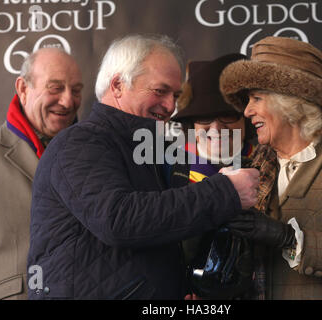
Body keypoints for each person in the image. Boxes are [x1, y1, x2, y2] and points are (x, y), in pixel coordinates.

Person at [27, 34, 259, 300]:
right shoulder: (80, 142)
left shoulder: (149, 150)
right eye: (160, 91)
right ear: (117, 85)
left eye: (176, 95)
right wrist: (225, 192)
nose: (171, 106)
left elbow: (160, 232)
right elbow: (118, 220)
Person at [219, 36, 322, 299]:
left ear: (291, 101)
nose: (247, 111)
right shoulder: (251, 166)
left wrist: (287, 237)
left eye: (256, 99)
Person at [0, 48, 83, 300]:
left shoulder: (96, 155)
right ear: (23, 88)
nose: (68, 101)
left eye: (77, 90)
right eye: (55, 87)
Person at [170, 53, 260, 299]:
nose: (217, 128)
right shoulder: (168, 169)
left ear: (247, 120)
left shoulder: (272, 165)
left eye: (228, 115)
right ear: (192, 124)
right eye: (205, 117)